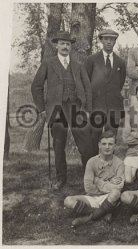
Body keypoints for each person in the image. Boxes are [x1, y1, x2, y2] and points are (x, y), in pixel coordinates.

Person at [31, 31, 92, 190]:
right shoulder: (48, 63)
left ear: (71, 47)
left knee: (86, 145)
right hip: (57, 110)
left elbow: (87, 88)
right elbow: (36, 86)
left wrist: (87, 109)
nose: (65, 46)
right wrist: (42, 109)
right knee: (59, 146)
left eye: (68, 44)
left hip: (76, 108)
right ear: (56, 45)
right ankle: (61, 179)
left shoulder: (78, 65)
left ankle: (89, 178)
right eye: (62, 43)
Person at [64, 130, 124, 227]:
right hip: (92, 196)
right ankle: (103, 213)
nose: (107, 147)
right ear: (99, 145)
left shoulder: (119, 163)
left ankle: (88, 218)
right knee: (68, 200)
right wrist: (108, 183)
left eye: (110, 144)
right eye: (104, 144)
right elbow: (88, 188)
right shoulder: (91, 162)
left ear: (115, 146)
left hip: (108, 198)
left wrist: (97, 180)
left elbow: (119, 187)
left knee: (116, 193)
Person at [85, 29, 126, 156]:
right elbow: (86, 82)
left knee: (111, 137)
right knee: (94, 137)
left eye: (112, 39)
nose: (109, 42)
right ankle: (92, 167)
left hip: (114, 106)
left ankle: (110, 168)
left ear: (115, 41)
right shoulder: (91, 60)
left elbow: (120, 82)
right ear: (101, 40)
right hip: (96, 105)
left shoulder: (120, 62)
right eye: (106, 39)